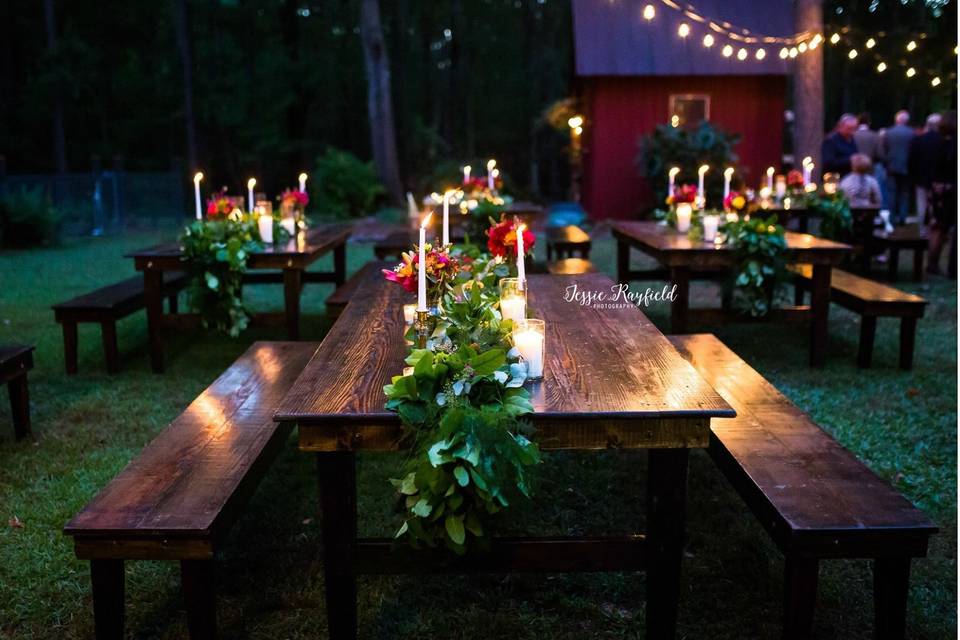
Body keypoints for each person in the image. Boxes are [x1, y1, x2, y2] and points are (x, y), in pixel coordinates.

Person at [928, 111, 957, 277]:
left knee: (937, 226)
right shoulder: (952, 144)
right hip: (947, 188)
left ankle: (933, 262)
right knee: (941, 227)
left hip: (936, 186)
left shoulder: (932, 140)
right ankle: (934, 263)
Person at [883, 110, 915, 224]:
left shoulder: (889, 132)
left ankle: (892, 218)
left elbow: (884, 149)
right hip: (907, 167)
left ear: (896, 120)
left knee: (892, 192)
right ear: (907, 121)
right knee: (904, 193)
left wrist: (886, 162)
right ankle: (903, 217)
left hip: (891, 166)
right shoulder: (912, 133)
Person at [909, 113, 943, 222]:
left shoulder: (919, 140)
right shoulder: (944, 141)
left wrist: (913, 175)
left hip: (921, 177)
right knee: (937, 204)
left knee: (921, 203)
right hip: (939, 178)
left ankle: (923, 230)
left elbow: (912, 159)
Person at [854, 112, 888, 209]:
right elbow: (880, 154)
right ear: (869, 122)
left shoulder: (853, 135)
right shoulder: (875, 136)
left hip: (854, 168)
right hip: (870, 168)